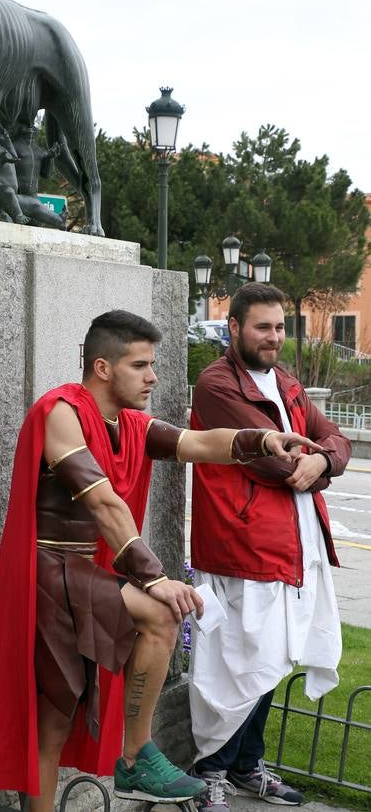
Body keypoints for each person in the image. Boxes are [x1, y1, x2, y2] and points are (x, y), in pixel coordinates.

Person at [0, 309, 321, 812]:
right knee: (55, 717)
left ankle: (134, 754)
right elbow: (103, 503)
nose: (152, 377)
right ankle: (134, 756)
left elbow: (196, 443)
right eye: (141, 365)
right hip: (47, 575)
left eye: (153, 364)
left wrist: (260, 441)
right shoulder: (60, 411)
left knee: (59, 717)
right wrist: (156, 577)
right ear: (103, 367)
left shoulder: (129, 424)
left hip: (77, 576)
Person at [188, 284, 351, 810]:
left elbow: (335, 438)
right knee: (236, 662)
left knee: (274, 658)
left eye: (280, 327)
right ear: (233, 327)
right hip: (242, 545)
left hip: (293, 545)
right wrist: (307, 460)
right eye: (263, 327)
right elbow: (267, 453)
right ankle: (210, 768)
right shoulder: (218, 383)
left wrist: (323, 461)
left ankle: (245, 765)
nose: (274, 337)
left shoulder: (288, 383)